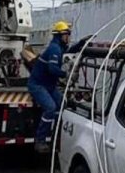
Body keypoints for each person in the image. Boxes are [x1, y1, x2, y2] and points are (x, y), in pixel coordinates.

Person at [28, 21, 88, 154]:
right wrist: (67, 74)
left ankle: (55, 135)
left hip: (48, 85)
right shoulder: (54, 49)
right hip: (38, 85)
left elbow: (70, 51)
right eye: (66, 34)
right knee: (50, 108)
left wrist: (81, 44)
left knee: (62, 105)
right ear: (60, 35)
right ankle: (40, 140)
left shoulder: (58, 47)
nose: (68, 37)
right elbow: (52, 69)